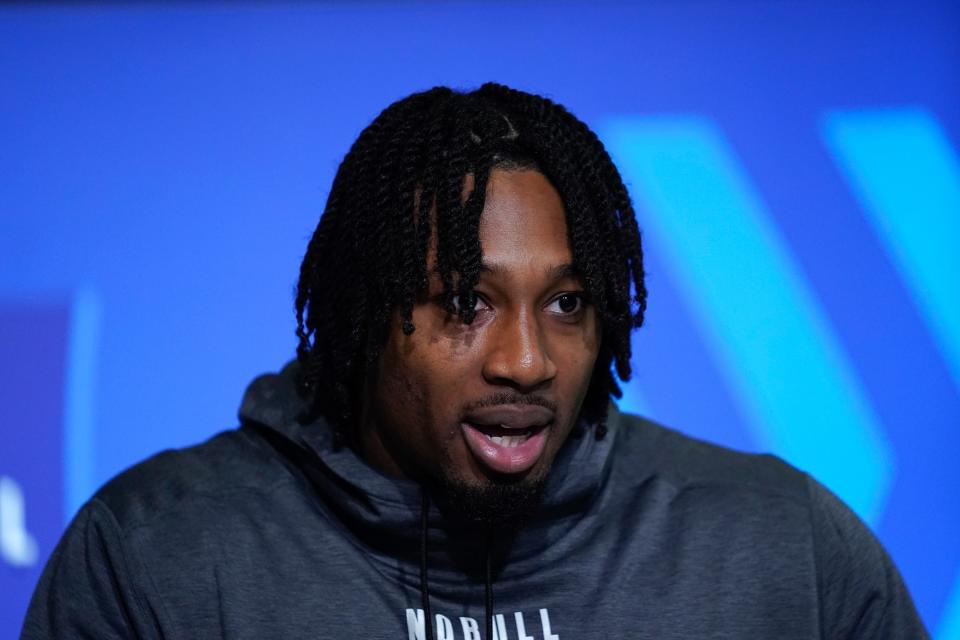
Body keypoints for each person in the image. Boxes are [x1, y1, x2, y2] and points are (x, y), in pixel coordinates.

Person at [22, 83, 927, 639]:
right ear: (364, 317)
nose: (528, 361)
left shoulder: (783, 552)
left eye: (567, 304)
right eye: (466, 303)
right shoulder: (156, 559)